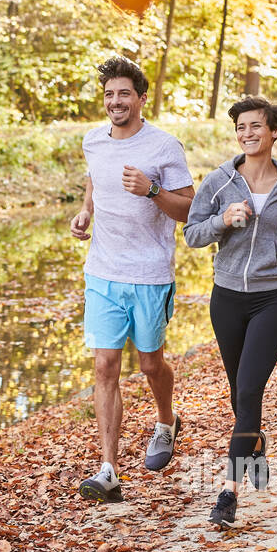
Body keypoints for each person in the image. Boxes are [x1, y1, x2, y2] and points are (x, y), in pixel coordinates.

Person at [183, 95, 277, 527]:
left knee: (248, 391)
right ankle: (254, 444)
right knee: (239, 394)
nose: (247, 134)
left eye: (256, 127)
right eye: (241, 127)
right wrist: (223, 220)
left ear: (275, 131)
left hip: (275, 297)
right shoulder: (219, 182)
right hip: (227, 297)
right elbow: (192, 234)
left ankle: (228, 493)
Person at [71, 56, 195, 502]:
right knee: (105, 366)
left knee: (149, 365)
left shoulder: (164, 147)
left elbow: (189, 210)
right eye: (109, 94)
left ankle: (167, 420)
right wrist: (87, 209)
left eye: (124, 93)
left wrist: (152, 190)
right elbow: (94, 181)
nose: (115, 101)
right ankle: (109, 470)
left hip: (149, 274)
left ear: (142, 99)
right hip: (102, 271)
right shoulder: (93, 141)